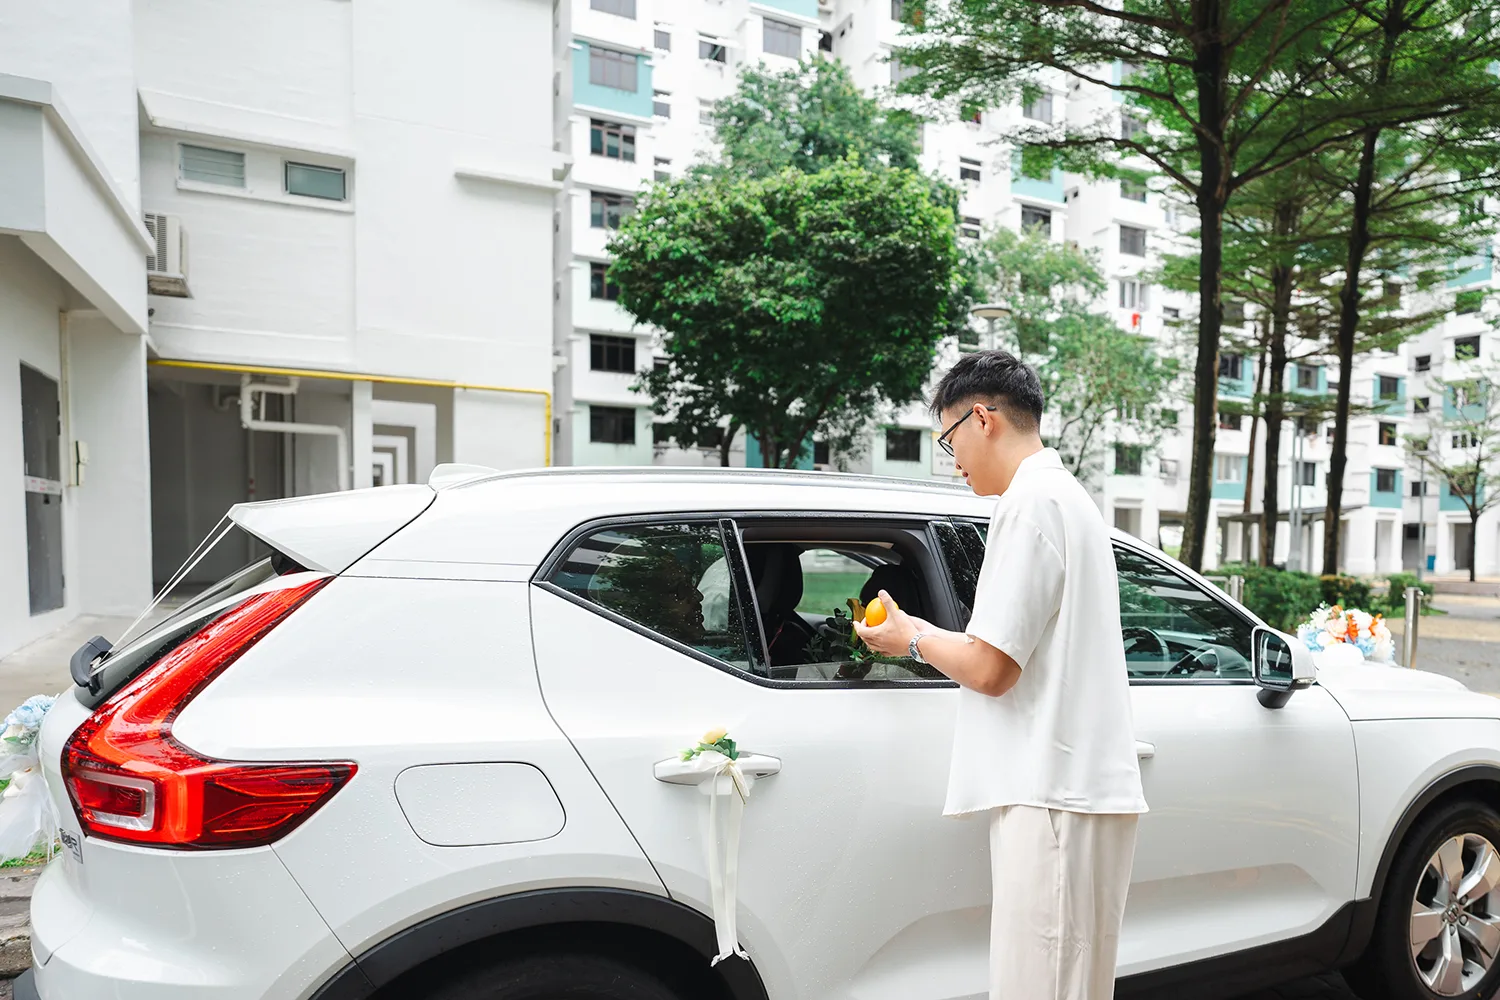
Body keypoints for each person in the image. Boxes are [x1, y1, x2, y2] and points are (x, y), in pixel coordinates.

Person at [855, 350, 1146, 1000]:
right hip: (1070, 795)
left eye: (948, 438)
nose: (952, 460)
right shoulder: (1068, 500)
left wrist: (911, 637)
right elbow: (1013, 652)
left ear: (982, 419)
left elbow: (990, 668)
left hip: (1053, 799)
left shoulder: (1030, 506)